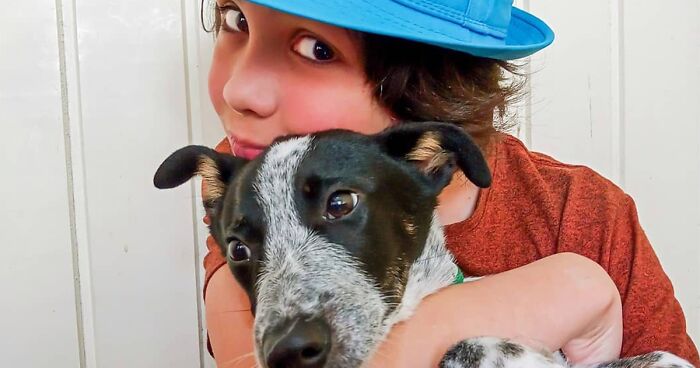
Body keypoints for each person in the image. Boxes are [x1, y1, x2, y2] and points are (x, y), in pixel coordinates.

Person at [199, 0, 699, 367]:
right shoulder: (254, 187)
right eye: (235, 18)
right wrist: (574, 290)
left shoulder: (582, 211)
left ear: (429, 84)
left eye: (317, 49)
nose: (236, 89)